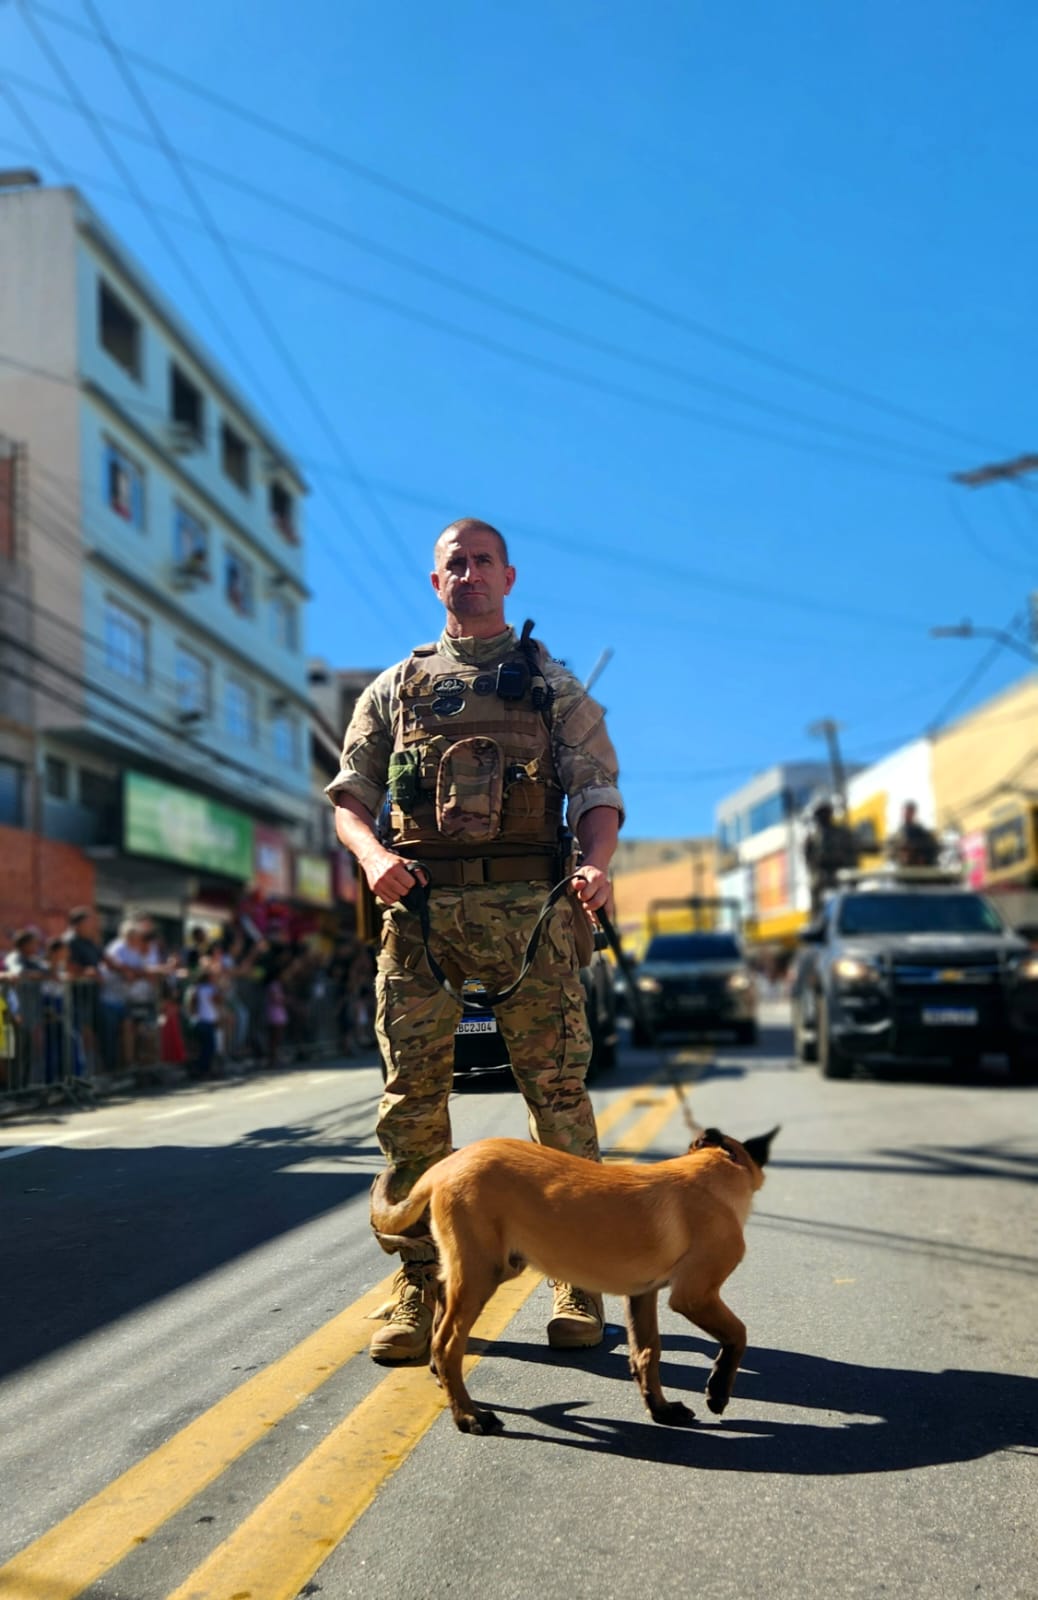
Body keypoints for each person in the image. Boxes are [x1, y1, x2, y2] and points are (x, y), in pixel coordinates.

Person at [327, 517, 623, 1364]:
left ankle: (578, 1271)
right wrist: (374, 855)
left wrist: (596, 865)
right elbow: (350, 795)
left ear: (509, 575)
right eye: (454, 564)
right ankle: (419, 1278)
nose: (470, 573)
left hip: (532, 917)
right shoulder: (395, 688)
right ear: (436, 583)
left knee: (556, 1095)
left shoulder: (551, 687)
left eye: (483, 561)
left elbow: (596, 787)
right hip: (421, 917)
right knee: (411, 1104)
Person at [803, 799, 860, 915]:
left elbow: (853, 857)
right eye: (819, 815)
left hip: (841, 879)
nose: (822, 818)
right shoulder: (813, 838)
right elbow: (810, 864)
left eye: (825, 813)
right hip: (823, 882)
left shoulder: (843, 833)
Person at [887, 801, 939, 868]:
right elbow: (890, 852)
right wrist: (900, 854)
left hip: (920, 870)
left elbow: (933, 848)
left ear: (914, 813)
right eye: (905, 812)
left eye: (910, 812)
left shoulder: (922, 831)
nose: (907, 814)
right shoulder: (897, 834)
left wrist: (921, 857)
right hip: (903, 870)